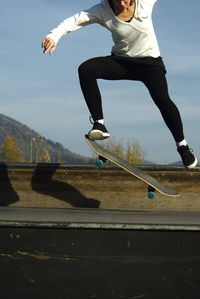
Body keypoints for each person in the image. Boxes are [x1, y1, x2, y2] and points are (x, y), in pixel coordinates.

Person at [41, 0, 198, 168]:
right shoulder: (102, 10)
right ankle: (99, 124)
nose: (124, 3)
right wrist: (53, 36)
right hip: (121, 61)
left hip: (150, 64)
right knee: (86, 69)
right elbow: (75, 20)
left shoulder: (145, 2)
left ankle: (183, 146)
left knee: (162, 99)